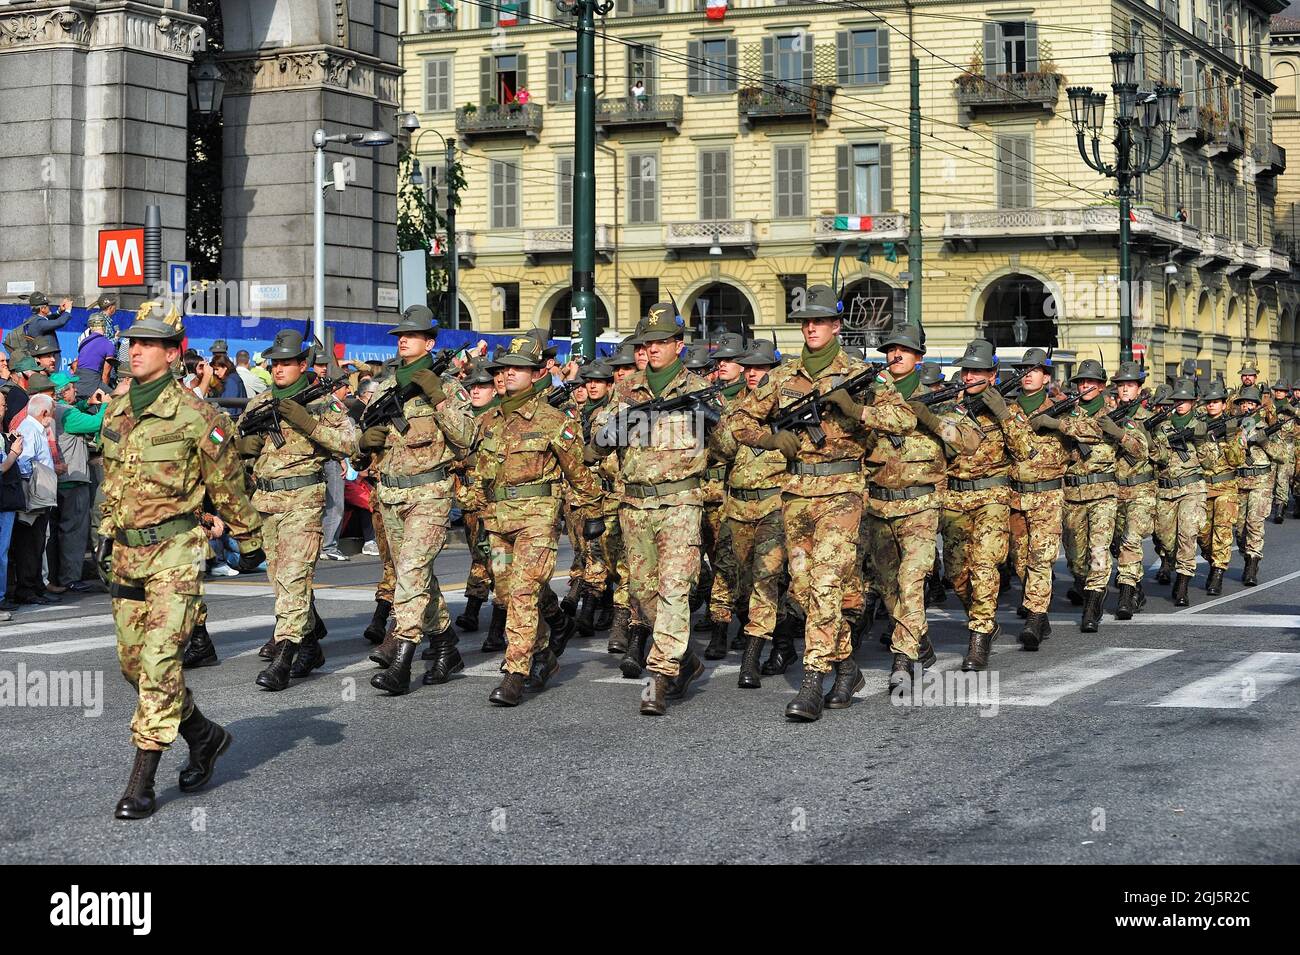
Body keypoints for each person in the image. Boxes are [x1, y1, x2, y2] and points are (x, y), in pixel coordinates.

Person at [98, 300, 263, 820]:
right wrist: (106, 533)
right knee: (133, 666)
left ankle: (142, 781)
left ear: (174, 354)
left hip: (176, 551)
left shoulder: (200, 416)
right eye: (134, 341)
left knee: (160, 662)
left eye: (149, 343)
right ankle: (204, 735)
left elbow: (228, 484)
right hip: (127, 553)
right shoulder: (118, 410)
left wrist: (247, 536)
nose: (137, 349)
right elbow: (114, 481)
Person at [731, 291, 919, 718]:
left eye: (819, 321)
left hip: (843, 491)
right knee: (801, 586)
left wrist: (856, 409)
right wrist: (768, 439)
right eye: (805, 322)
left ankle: (813, 682)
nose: (810, 328)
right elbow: (738, 419)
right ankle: (848, 666)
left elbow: (904, 420)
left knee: (826, 582)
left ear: (837, 326)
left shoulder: (861, 374)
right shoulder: (781, 377)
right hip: (796, 494)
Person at [587, 302, 718, 716]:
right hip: (635, 503)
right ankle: (688, 660)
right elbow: (598, 443)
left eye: (662, 342)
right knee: (642, 594)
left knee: (675, 588)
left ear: (678, 345)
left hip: (680, 502)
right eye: (648, 343)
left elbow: (727, 445)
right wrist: (613, 435)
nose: (654, 349)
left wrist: (712, 423)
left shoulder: (696, 390)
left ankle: (659, 677)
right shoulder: (626, 390)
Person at [461, 335, 605, 706]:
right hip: (497, 523)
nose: (507, 374)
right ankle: (542, 653)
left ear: (536, 373)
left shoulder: (554, 421)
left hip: (537, 522)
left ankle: (515, 672)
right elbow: (480, 474)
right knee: (508, 594)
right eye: (504, 367)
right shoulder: (489, 420)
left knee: (524, 592)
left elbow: (579, 475)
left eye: (518, 368)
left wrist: (595, 515)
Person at [360, 305, 474, 695]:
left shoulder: (446, 383)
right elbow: (369, 437)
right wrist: (366, 443)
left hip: (430, 492)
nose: (402, 340)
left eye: (411, 335)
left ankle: (402, 658)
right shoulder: (388, 383)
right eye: (399, 336)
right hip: (390, 491)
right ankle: (444, 642)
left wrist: (438, 396)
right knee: (416, 574)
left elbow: (465, 438)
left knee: (410, 571)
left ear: (430, 341)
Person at [235, 329, 359, 691]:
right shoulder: (258, 404)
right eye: (275, 363)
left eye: (287, 363)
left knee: (292, 578)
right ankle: (309, 645)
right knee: (281, 581)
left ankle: (284, 658)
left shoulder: (321, 402)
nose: (279, 369)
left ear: (303, 364)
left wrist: (308, 423)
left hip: (303, 501)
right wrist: (245, 449)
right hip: (267, 503)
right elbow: (239, 454)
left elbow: (350, 442)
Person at [939, 340, 1030, 671]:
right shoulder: (949, 406)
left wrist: (1003, 414)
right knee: (956, 573)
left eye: (978, 371)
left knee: (984, 566)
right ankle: (985, 622)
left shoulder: (1009, 409)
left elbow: (1024, 450)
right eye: (967, 370)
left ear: (993, 375)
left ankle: (978, 639)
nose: (971, 376)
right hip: (954, 496)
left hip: (991, 497)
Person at [707, 340, 790, 688]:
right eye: (750, 367)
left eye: (762, 368)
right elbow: (721, 451)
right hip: (737, 506)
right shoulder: (737, 409)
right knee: (735, 577)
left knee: (766, 579)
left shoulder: (791, 407)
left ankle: (751, 658)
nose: (754, 373)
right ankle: (783, 642)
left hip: (776, 504)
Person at [1008, 350, 1073, 649]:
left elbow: (1094, 429)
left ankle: (1034, 618)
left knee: (1040, 558)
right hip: (1016, 495)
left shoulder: (1061, 408)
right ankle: (1040, 612)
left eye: (1034, 370)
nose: (1028, 374)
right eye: (1024, 369)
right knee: (1021, 561)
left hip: (1047, 495)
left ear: (1047, 377)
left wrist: (1057, 424)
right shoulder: (1009, 410)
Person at [49, 372, 106, 593]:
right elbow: (97, 422)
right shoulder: (68, 414)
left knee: (58, 532)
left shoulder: (56, 409)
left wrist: (86, 403)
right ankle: (71, 577)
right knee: (74, 532)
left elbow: (77, 411)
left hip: (60, 481)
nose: (76, 390)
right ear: (63, 392)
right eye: (72, 388)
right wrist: (106, 405)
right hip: (73, 480)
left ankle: (58, 577)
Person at [1107, 361, 1154, 620]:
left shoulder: (1150, 419)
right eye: (1121, 385)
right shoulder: (1109, 415)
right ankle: (1136, 585)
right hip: (1114, 489)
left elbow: (1161, 453)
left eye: (1129, 385)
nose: (1124, 390)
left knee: (1131, 540)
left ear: (1139, 389)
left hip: (1141, 489)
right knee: (1115, 543)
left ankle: (1125, 597)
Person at [1196, 379, 1243, 595]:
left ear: (1224, 404)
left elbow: (1237, 460)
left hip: (1226, 487)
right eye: (1209, 402)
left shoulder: (1233, 427)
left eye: (1216, 402)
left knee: (1222, 531)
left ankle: (1217, 572)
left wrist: (1230, 437)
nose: (1212, 405)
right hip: (1203, 487)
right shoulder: (1199, 426)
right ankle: (1212, 557)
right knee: (1203, 534)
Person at [13, 392, 58, 605]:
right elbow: (22, 462)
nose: (53, 417)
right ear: (44, 413)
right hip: (34, 495)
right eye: (53, 413)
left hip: (41, 494)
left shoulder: (36, 429)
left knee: (38, 542)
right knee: (29, 543)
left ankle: (36, 586)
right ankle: (27, 588)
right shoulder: (29, 430)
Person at [1233, 386, 1271, 586]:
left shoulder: (1267, 426)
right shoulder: (1234, 427)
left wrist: (1265, 442)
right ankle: (1247, 555)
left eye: (1250, 403)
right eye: (1243, 403)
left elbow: (1281, 455)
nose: (1247, 406)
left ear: (1257, 406)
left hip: (1260, 483)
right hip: (1239, 482)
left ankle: (1252, 566)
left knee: (1254, 525)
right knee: (1239, 530)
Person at [0, 392, 25, 619]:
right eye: (1, 404)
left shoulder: (3, 433)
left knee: (3, 552)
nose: (4, 408)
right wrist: (14, 454)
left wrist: (10, 441)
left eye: (4, 404)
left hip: (6, 501)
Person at [4, 292, 73, 365]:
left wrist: (59, 311)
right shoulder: (38, 323)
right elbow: (60, 322)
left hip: (46, 359)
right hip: (47, 362)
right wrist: (68, 310)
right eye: (47, 305)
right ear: (42, 309)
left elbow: (48, 319)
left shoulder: (36, 320)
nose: (49, 307)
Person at [76, 314, 116, 389]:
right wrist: (103, 392)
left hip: (78, 380)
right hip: (92, 380)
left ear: (90, 327)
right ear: (104, 326)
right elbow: (106, 374)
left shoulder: (83, 341)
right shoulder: (108, 344)